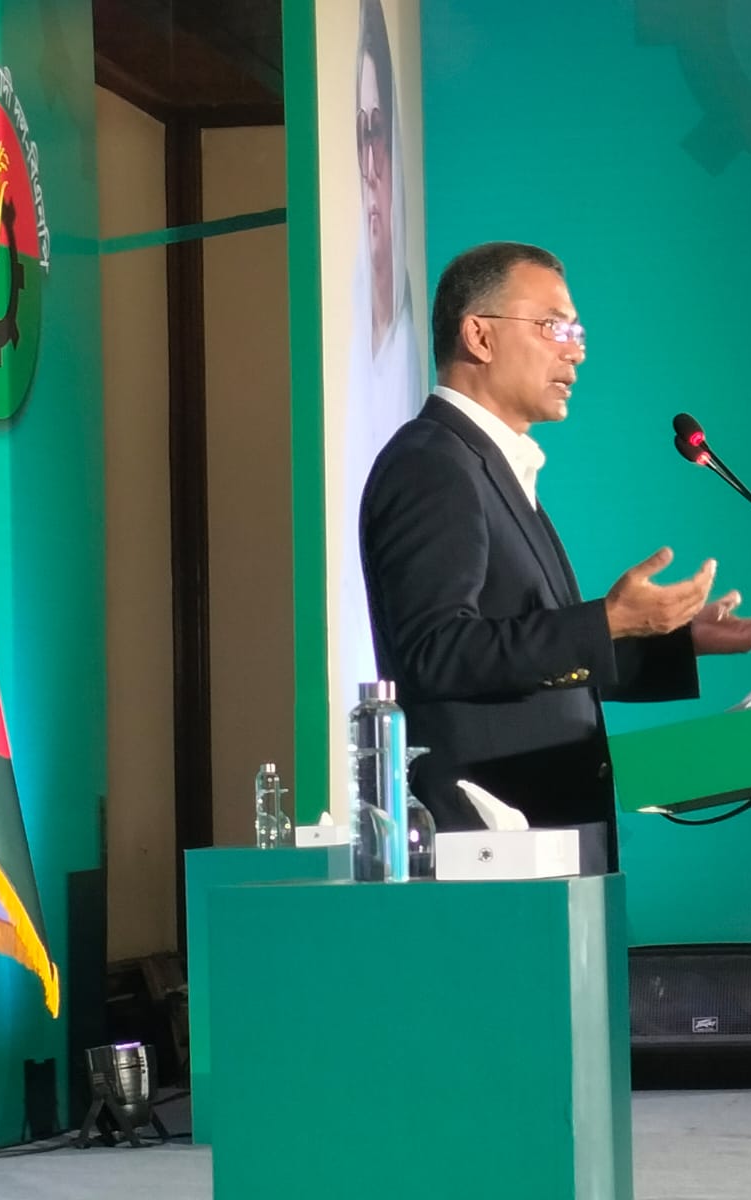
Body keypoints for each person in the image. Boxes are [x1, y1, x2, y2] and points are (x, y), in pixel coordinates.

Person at [359, 241, 751, 868]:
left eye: (577, 331)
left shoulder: (489, 466)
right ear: (479, 336)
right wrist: (606, 622)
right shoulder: (433, 464)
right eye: (553, 327)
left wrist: (669, 640)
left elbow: (524, 660)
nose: (576, 350)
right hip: (490, 850)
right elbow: (436, 653)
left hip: (541, 844)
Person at [340, 0, 422, 702]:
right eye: (360, 134)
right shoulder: (346, 307)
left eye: (379, 135)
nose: (370, 164)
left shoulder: (409, 344)